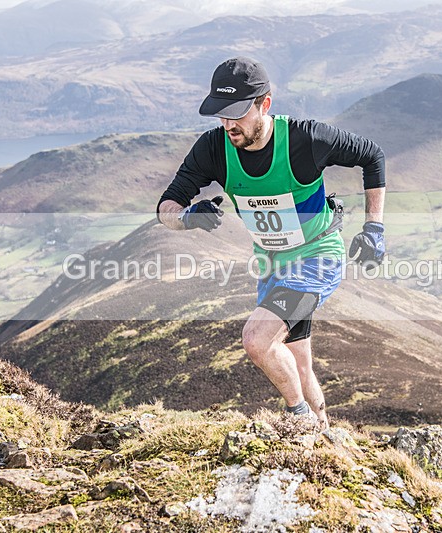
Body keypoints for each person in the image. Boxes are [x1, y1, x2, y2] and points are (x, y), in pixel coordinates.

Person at [156, 56, 386, 429]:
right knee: (298, 361)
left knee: (257, 340)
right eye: (221, 114)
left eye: (236, 113)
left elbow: (372, 155)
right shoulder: (214, 149)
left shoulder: (305, 139)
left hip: (317, 258)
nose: (229, 124)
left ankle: (300, 423)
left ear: (264, 104)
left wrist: (374, 227)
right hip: (272, 266)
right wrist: (187, 219)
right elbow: (165, 207)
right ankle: (325, 433)